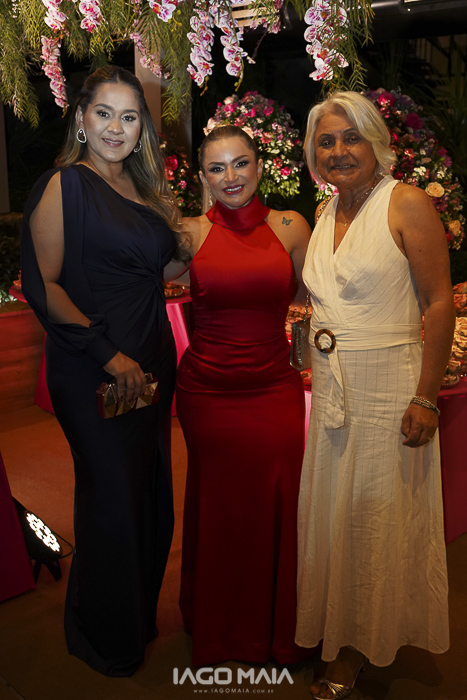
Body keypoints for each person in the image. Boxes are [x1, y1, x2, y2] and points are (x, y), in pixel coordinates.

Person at [21, 66, 182, 676]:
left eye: (130, 116)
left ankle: (133, 621)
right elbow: (44, 286)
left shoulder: (143, 189)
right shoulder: (65, 184)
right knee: (112, 497)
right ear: (82, 120)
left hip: (150, 365)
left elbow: (157, 269)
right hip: (95, 367)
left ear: (142, 129)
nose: (117, 127)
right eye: (104, 113)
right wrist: (110, 356)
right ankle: (104, 637)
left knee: (145, 494)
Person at [295, 91, 455, 699]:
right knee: (337, 513)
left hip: (391, 387)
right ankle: (337, 627)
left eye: (350, 137)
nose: (338, 151)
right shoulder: (324, 209)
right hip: (332, 389)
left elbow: (438, 302)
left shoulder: (406, 202)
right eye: (326, 141)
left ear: (377, 142)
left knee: (377, 517)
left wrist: (427, 397)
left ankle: (361, 645)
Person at [165, 124, 311, 667]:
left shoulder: (291, 226)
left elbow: (310, 298)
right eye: (217, 167)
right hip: (207, 393)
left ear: (259, 165)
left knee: (279, 500)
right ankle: (221, 627)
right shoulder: (188, 233)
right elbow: (137, 278)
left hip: (274, 388)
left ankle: (275, 628)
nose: (231, 177)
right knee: (220, 507)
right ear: (203, 177)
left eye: (240, 163)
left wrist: (304, 360)